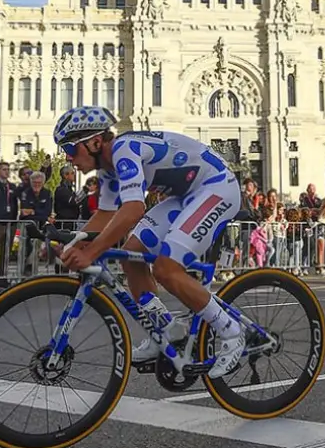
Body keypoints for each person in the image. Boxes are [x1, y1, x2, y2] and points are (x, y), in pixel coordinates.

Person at [52, 106, 246, 378]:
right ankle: (166, 328)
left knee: (166, 268)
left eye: (70, 149)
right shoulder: (108, 171)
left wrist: (92, 251)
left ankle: (232, 331)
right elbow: (106, 215)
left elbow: (133, 210)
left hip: (216, 187)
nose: (68, 158)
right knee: (131, 254)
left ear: (96, 142)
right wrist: (75, 243)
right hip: (185, 195)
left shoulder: (124, 149)